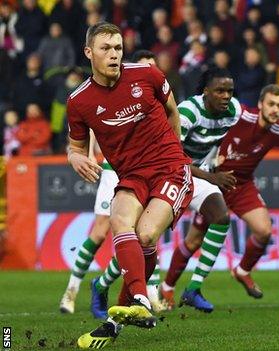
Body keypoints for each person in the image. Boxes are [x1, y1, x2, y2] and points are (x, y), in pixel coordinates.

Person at [67, 22, 193, 349]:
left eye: (118, 48)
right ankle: (131, 307)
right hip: (132, 174)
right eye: (106, 48)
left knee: (147, 234)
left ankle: (134, 302)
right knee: (118, 220)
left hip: (169, 168)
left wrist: (177, 154)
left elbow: (172, 112)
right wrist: (74, 157)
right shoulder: (78, 101)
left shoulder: (147, 75)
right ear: (89, 53)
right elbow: (76, 146)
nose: (114, 54)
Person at [59, 50, 166, 319]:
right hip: (113, 172)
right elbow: (80, 139)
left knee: (146, 233)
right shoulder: (98, 96)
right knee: (100, 232)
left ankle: (143, 293)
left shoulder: (152, 95)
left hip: (152, 169)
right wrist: (81, 156)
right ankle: (71, 291)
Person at [158, 66, 241, 312]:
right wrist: (211, 176)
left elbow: (223, 139)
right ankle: (105, 282)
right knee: (148, 235)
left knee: (221, 217)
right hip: (168, 173)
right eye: (220, 91)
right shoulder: (187, 113)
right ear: (206, 92)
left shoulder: (233, 111)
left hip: (196, 174)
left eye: (229, 91)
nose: (226, 96)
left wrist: (216, 162)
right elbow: (171, 157)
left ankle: (193, 288)